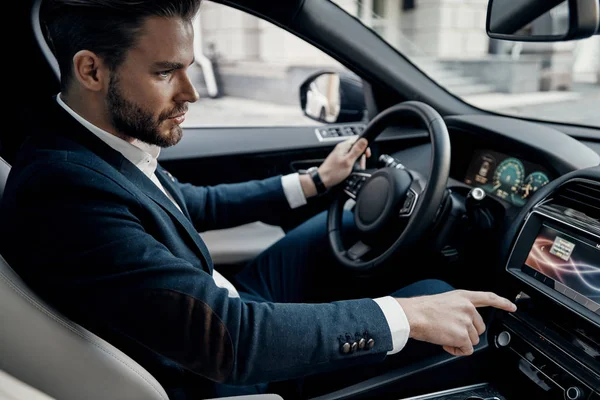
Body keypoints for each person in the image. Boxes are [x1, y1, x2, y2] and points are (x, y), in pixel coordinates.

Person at [0, 0, 517, 399]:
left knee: (328, 232)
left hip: (218, 300)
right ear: (91, 71)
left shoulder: (92, 141)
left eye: (189, 67)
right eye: (165, 72)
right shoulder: (65, 190)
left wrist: (316, 182)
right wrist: (407, 314)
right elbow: (231, 341)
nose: (191, 92)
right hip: (218, 370)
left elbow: (188, 206)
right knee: (437, 294)